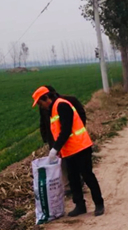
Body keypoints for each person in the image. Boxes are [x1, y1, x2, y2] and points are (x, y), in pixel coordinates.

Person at [32, 86, 104, 217]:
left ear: (46, 98)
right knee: (73, 178)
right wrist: (58, 149)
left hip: (81, 147)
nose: (40, 106)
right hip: (69, 150)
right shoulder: (53, 109)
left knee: (87, 176)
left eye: (40, 103)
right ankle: (80, 206)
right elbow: (57, 132)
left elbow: (66, 130)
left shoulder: (62, 105)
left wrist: (55, 149)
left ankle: (99, 204)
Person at [38, 86, 86, 195]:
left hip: (74, 141)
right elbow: (43, 123)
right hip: (55, 141)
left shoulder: (69, 101)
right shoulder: (43, 107)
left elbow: (81, 115)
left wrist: (78, 131)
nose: (42, 105)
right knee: (63, 164)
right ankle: (69, 187)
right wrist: (46, 138)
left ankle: (79, 183)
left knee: (76, 164)